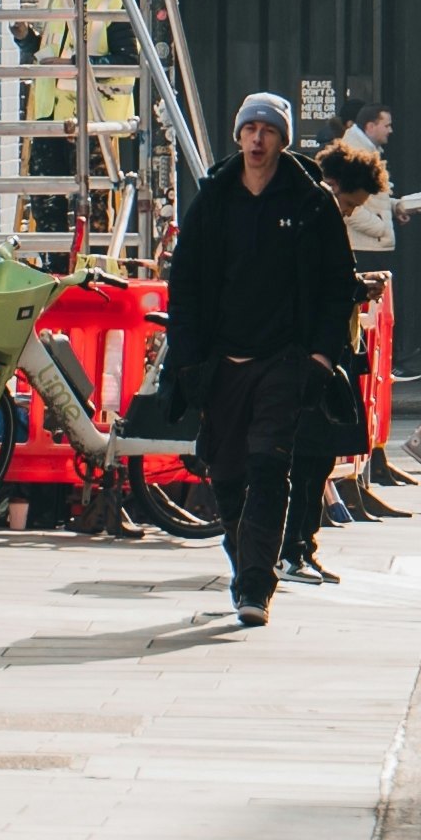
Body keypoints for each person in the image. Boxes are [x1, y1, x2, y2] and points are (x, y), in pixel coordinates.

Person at [165, 89, 365, 625]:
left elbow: (336, 284)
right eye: (250, 129)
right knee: (227, 475)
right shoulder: (213, 199)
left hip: (284, 358)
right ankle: (244, 562)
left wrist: (321, 359)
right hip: (222, 361)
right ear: (238, 136)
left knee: (268, 465)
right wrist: (187, 359)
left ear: (282, 140)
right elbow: (183, 284)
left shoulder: (310, 202)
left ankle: (256, 586)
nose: (257, 138)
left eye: (269, 130)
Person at [315, 111, 407, 541]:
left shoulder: (326, 214)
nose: (349, 211)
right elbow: (319, 279)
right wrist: (357, 288)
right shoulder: (319, 217)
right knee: (318, 439)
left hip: (335, 340)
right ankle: (309, 523)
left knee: (327, 439)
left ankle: (322, 509)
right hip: (319, 345)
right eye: (350, 203)